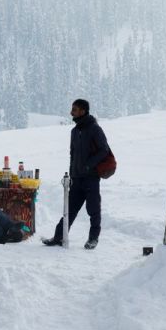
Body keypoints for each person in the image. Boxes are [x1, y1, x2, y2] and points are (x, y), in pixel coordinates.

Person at [42, 98, 108, 250]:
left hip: (91, 177)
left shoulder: (95, 129)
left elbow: (104, 150)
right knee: (69, 210)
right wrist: (72, 174)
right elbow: (72, 154)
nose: (71, 112)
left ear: (83, 111)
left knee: (93, 209)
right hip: (77, 179)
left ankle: (93, 238)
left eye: (75, 109)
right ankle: (59, 237)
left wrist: (88, 165)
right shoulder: (74, 131)